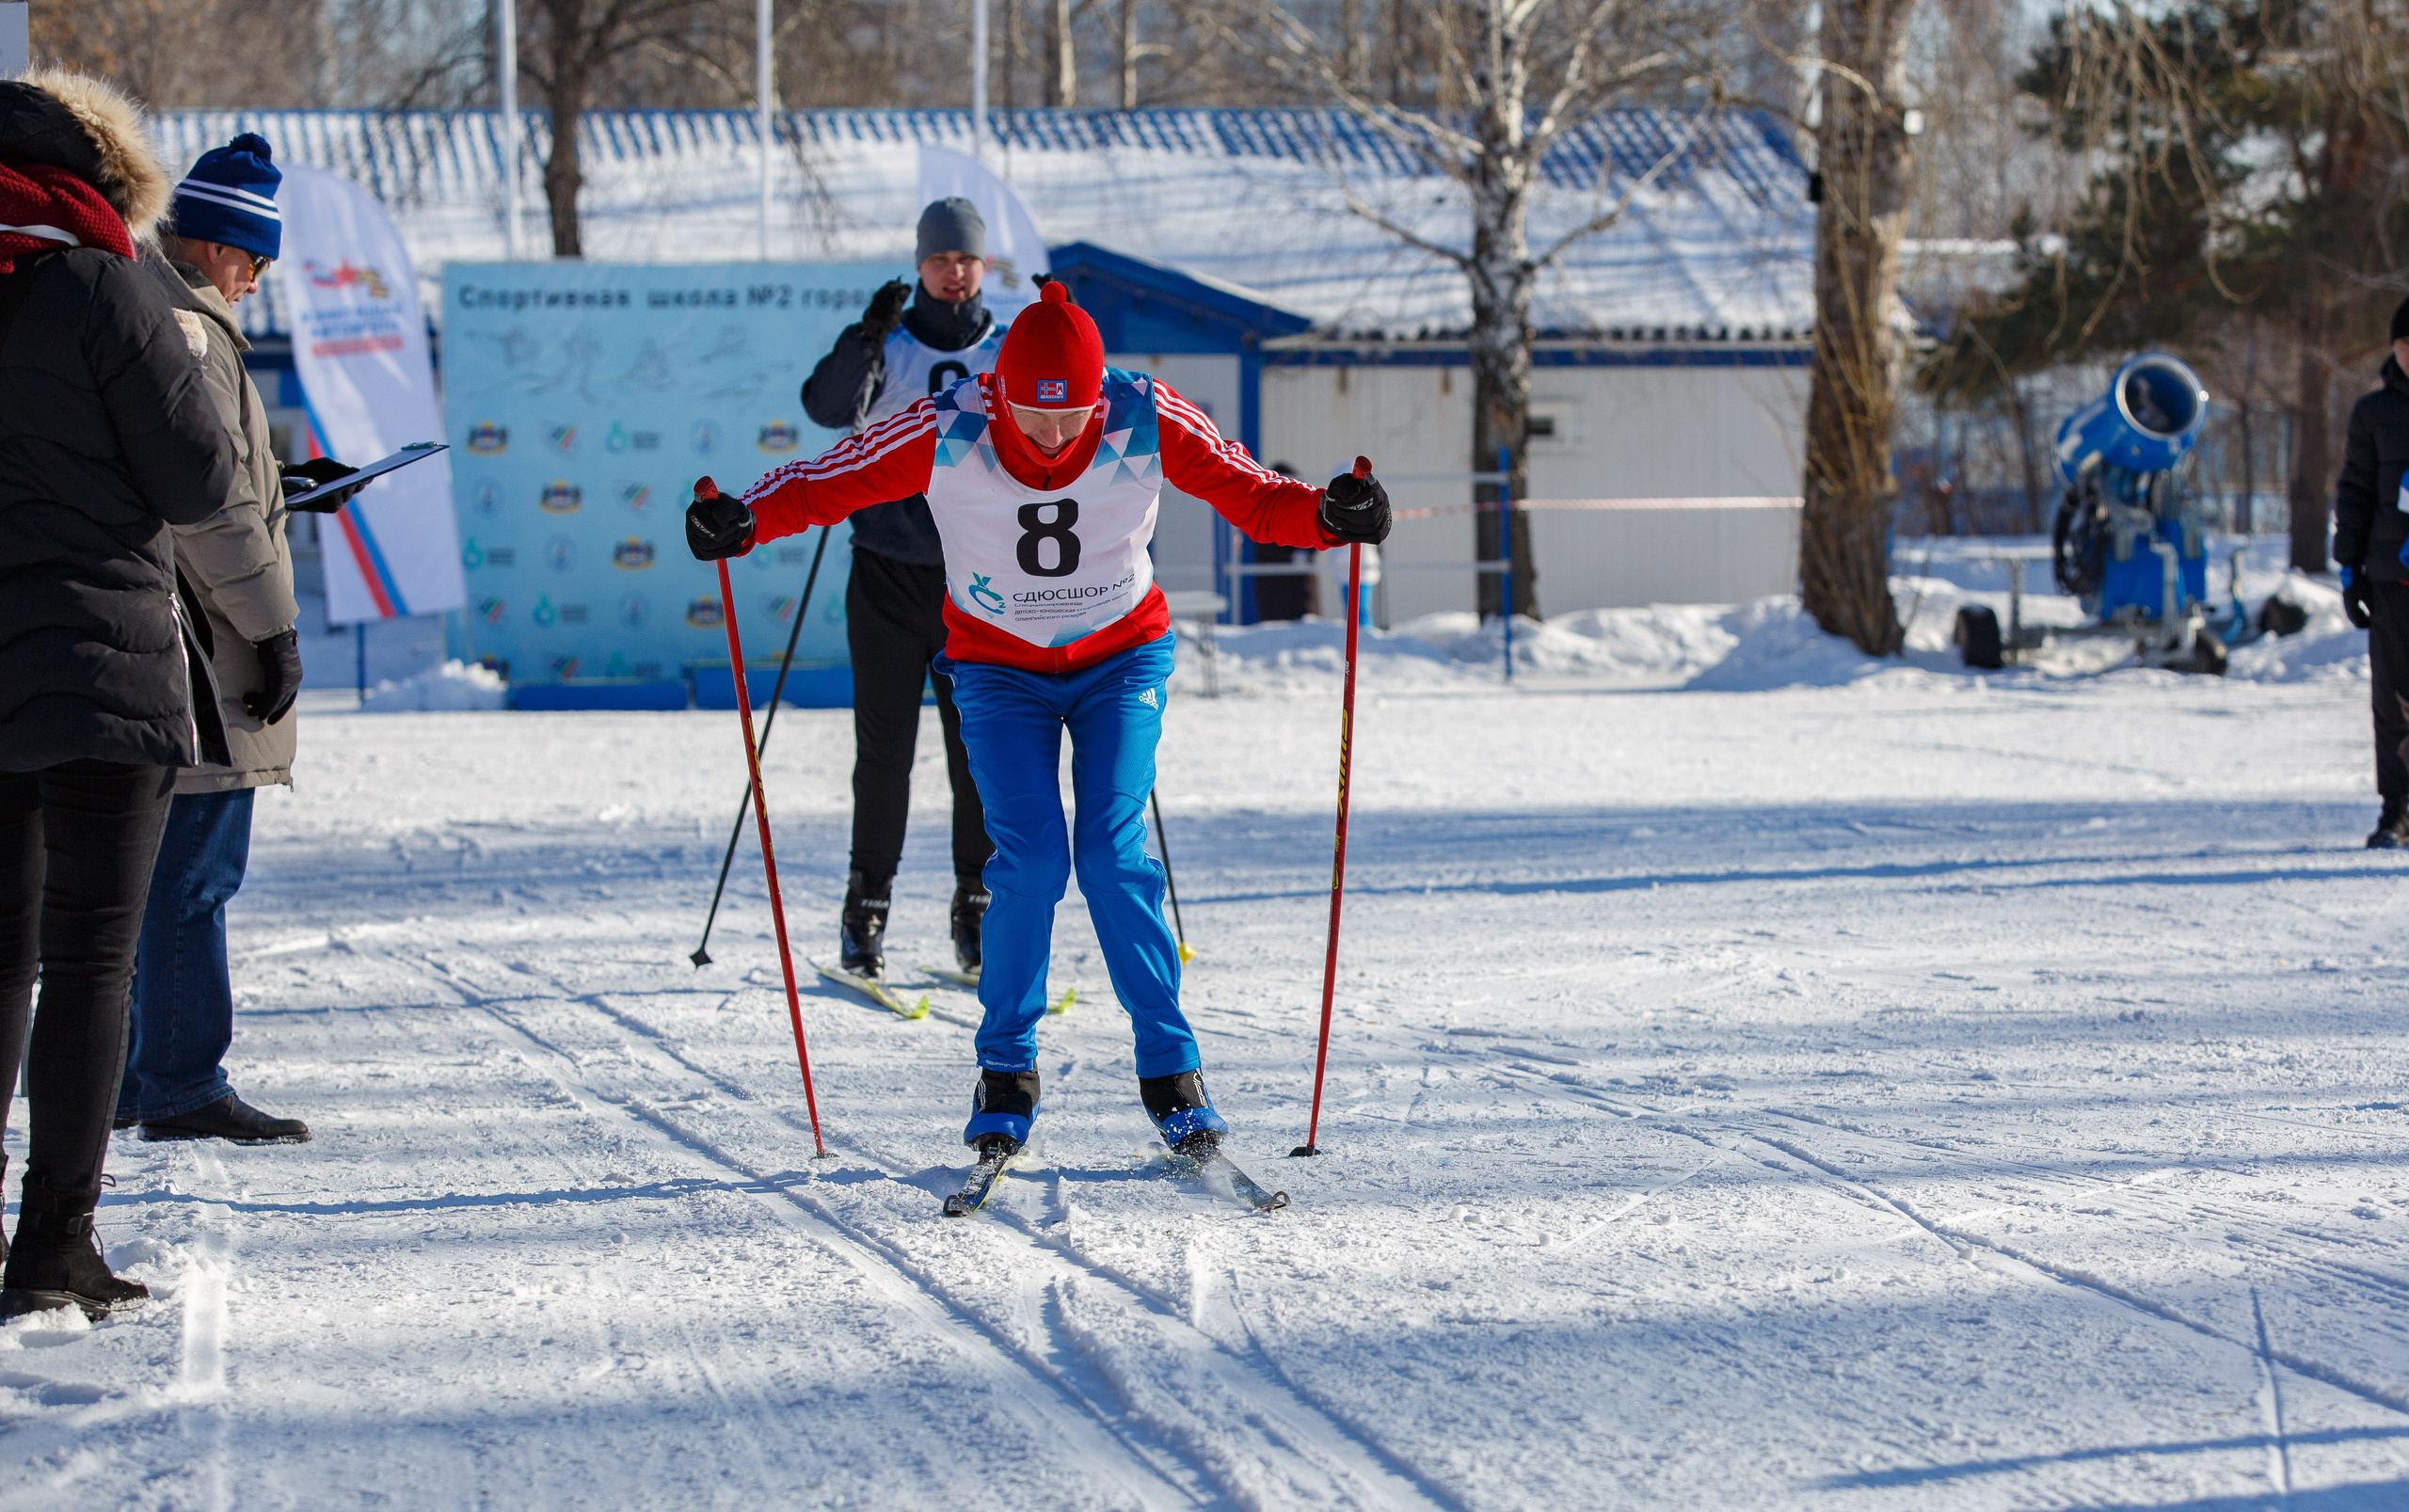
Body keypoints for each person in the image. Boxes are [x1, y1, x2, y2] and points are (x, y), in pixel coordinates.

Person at [688, 281, 1390, 1160]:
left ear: (1100, 392)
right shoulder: (950, 424)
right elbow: (829, 480)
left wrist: (1329, 513)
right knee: (1026, 859)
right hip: (997, 669)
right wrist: (742, 518)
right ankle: (1006, 1071)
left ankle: (1172, 1071)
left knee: (1110, 847)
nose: (1054, 436)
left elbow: (1254, 493)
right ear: (1000, 392)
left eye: (1073, 415)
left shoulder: (1142, 412)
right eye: (1032, 414)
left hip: (1120, 658)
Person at [0, 72, 242, 1319]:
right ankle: (53, 1243)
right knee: (89, 957)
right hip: (98, 664)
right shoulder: (103, 280)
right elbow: (198, 474)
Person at [116, 134, 359, 1146]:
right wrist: (274, 629)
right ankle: (176, 1077)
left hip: (165, 641)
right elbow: (207, 507)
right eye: (254, 262)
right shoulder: (193, 330)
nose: (256, 283)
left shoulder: (138, 312)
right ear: (218, 246)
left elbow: (207, 485)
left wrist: (281, 490)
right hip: (206, 656)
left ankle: (139, 1072)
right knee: (191, 872)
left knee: (151, 871)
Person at [799, 199, 1007, 984]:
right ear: (920, 265)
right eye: (940, 261)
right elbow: (824, 409)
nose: (954, 274)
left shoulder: (1006, 345)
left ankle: (977, 909)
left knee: (978, 756)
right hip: (886, 569)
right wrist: (866, 334)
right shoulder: (888, 345)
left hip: (978, 583)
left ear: (983, 267)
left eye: (966, 261)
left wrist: (1063, 332)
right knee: (883, 753)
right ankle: (866, 910)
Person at [2335, 296, 2409, 850]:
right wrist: (2349, 570)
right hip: (2392, 580)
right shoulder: (2374, 413)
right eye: (2406, 346)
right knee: (2394, 702)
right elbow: (2355, 492)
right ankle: (2398, 811)